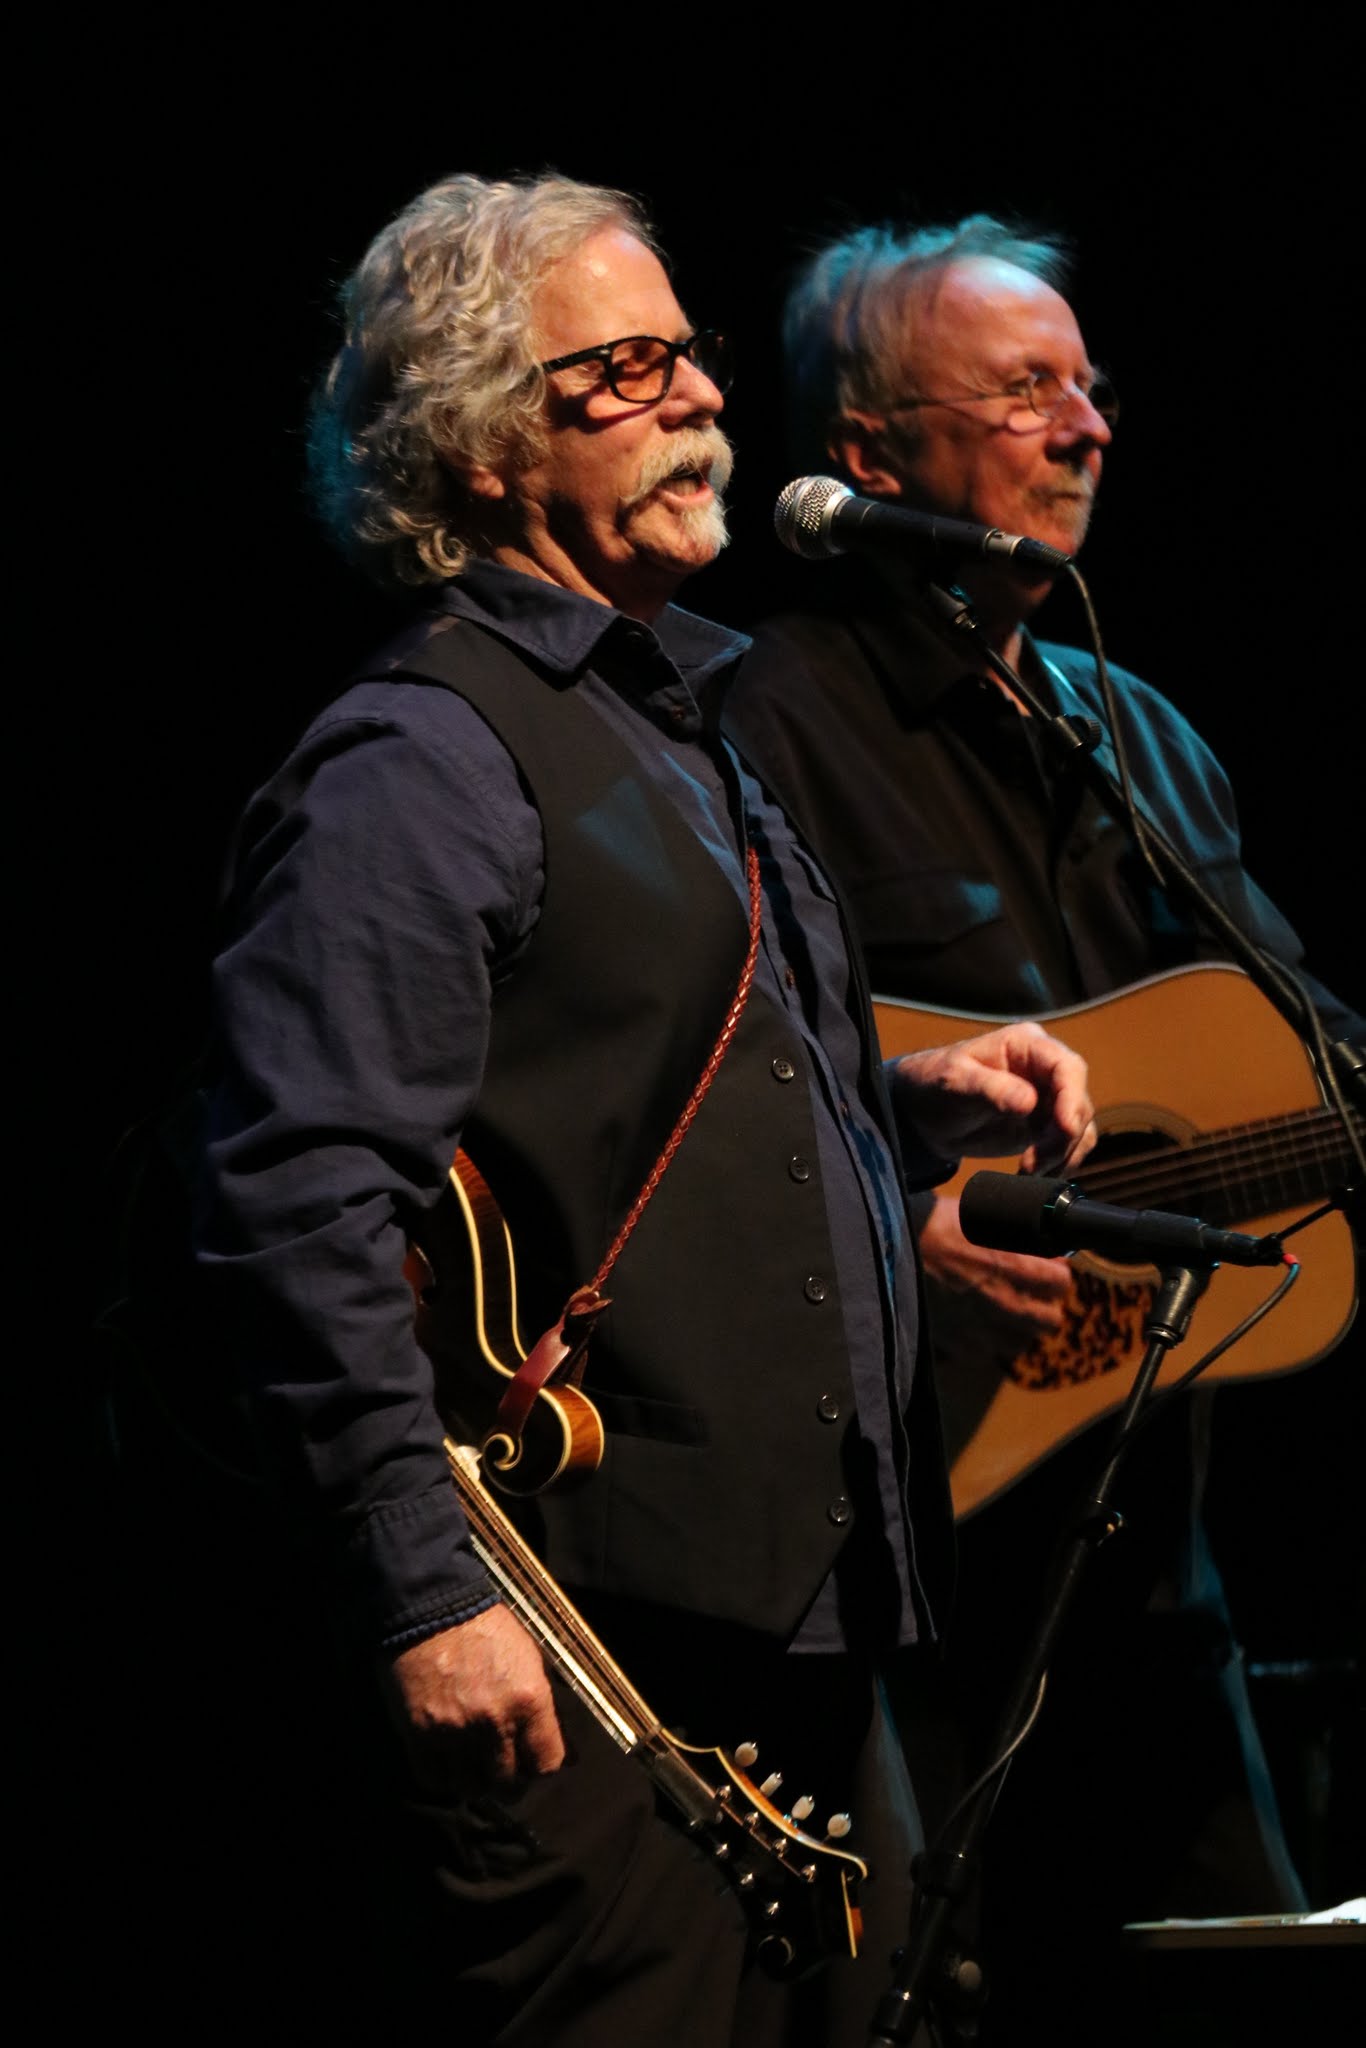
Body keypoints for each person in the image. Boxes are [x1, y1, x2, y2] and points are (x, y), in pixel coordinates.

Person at [169, 176, 1099, 2048]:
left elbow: (612, 1091)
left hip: (797, 1641)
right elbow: (292, 1198)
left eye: (694, 359)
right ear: (489, 435)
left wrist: (889, 1103)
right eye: (632, 368)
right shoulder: (419, 761)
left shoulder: (675, 724)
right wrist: (424, 1597)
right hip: (586, 1667)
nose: (703, 405)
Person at [723, 216, 1364, 2041]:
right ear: (870, 455)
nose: (1083, 425)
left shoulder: (1135, 731)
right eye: (1025, 391)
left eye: (1087, 386)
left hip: (1147, 1542)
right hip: (910, 1561)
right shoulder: (760, 725)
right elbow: (723, 1096)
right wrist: (910, 1219)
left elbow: (1283, 1048)